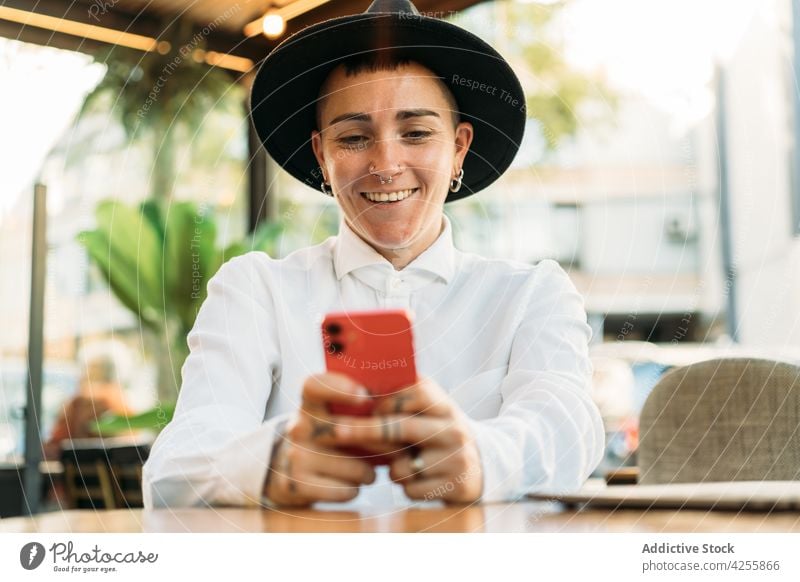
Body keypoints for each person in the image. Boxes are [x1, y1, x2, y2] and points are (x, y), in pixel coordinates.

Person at [143, 0, 604, 508]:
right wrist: (277, 463)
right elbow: (175, 466)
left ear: (459, 148)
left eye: (417, 133)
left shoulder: (531, 293)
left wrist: (481, 458)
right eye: (354, 137)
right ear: (322, 155)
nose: (386, 164)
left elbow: (569, 429)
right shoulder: (256, 290)